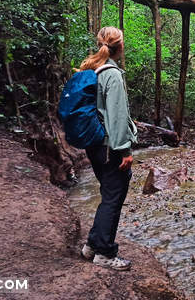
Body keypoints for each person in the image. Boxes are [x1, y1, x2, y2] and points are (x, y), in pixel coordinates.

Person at [79, 26, 137, 271]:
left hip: (94, 144)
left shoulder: (92, 69)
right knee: (113, 197)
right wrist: (124, 150)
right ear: (120, 46)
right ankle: (104, 252)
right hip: (109, 147)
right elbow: (116, 116)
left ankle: (92, 245)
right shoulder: (111, 74)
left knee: (108, 193)